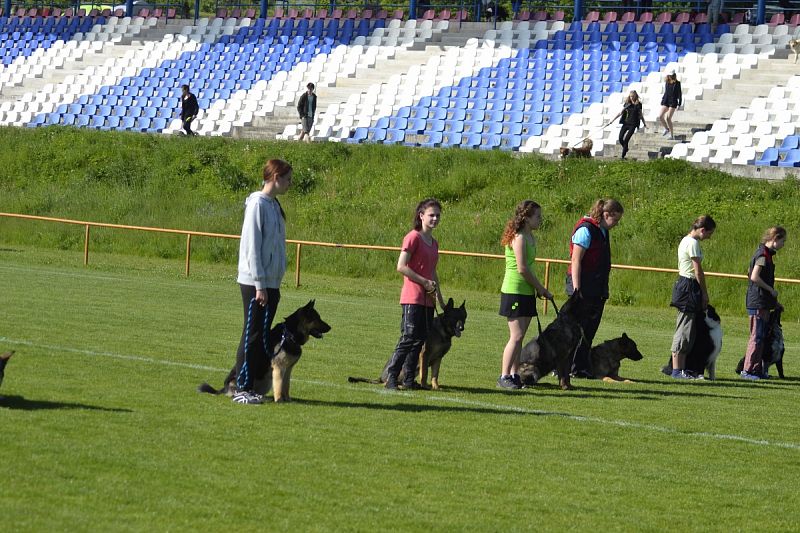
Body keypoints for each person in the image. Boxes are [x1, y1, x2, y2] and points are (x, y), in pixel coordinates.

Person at [230, 159, 293, 404]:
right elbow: (252, 247)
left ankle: (252, 385)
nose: (290, 184)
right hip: (257, 283)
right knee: (252, 335)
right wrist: (259, 284)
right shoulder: (257, 203)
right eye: (287, 179)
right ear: (275, 177)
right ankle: (240, 388)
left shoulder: (273, 205)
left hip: (270, 282)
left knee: (261, 335)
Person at [384, 198, 446, 390]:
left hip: (428, 299)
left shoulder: (433, 243)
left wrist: (440, 298)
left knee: (419, 341)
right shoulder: (413, 237)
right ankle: (392, 377)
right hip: (413, 297)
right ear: (421, 216)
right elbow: (401, 266)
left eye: (437, 215)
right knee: (409, 338)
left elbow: (432, 272)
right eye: (431, 215)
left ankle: (410, 380)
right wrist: (423, 282)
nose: (435, 218)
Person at [566, 199, 624, 378]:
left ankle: (580, 367)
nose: (616, 224)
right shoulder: (586, 229)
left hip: (597, 288)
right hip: (583, 287)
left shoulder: (603, 231)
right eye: (616, 220)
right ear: (607, 215)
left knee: (589, 329)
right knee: (575, 330)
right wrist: (577, 290)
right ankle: (565, 365)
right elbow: (576, 260)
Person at [498, 201, 553, 389]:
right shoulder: (519, 237)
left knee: (520, 337)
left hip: (526, 291)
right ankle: (504, 376)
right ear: (527, 218)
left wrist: (537, 288)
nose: (540, 220)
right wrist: (540, 287)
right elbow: (522, 268)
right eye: (537, 216)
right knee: (516, 335)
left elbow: (529, 268)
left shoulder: (530, 236)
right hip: (514, 290)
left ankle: (514, 375)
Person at [669, 215, 716, 380]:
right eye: (709, 233)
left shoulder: (685, 240)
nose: (709, 237)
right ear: (702, 230)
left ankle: (681, 368)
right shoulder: (693, 243)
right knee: (684, 330)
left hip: (684, 285)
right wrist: (704, 292)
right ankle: (677, 370)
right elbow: (697, 271)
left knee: (687, 329)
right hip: (688, 286)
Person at [741, 226, 787, 380]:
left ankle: (756, 369)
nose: (783, 244)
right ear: (774, 239)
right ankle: (748, 370)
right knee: (756, 337)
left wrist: (775, 302)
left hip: (763, 301)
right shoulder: (762, 255)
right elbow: (754, 276)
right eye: (782, 241)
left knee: (761, 337)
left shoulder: (765, 254)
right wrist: (770, 290)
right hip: (758, 302)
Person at [611, 90, 646, 160]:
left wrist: (644, 123)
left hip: (633, 124)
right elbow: (620, 112)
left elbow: (640, 115)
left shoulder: (638, 104)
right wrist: (612, 120)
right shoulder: (627, 104)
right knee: (620, 138)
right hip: (626, 123)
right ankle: (625, 148)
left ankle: (622, 156)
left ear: (635, 96)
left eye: (633, 96)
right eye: (630, 96)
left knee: (626, 139)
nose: (631, 98)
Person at [658, 72, 682, 140]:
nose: (670, 76)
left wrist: (679, 103)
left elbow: (679, 94)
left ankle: (671, 135)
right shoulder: (667, 82)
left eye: (671, 75)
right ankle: (666, 129)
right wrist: (663, 100)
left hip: (673, 102)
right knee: (660, 115)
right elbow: (666, 92)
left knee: (668, 118)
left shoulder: (677, 83)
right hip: (667, 101)